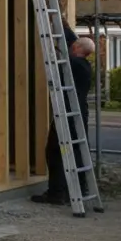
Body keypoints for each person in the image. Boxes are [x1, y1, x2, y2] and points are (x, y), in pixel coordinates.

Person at [32, 22, 96, 205]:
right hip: (78, 116)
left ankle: (56, 193)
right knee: (75, 152)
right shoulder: (83, 64)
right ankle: (79, 189)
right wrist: (61, 20)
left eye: (72, 46)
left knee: (56, 152)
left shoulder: (73, 65)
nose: (69, 46)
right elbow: (74, 41)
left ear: (76, 48)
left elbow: (59, 63)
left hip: (67, 118)